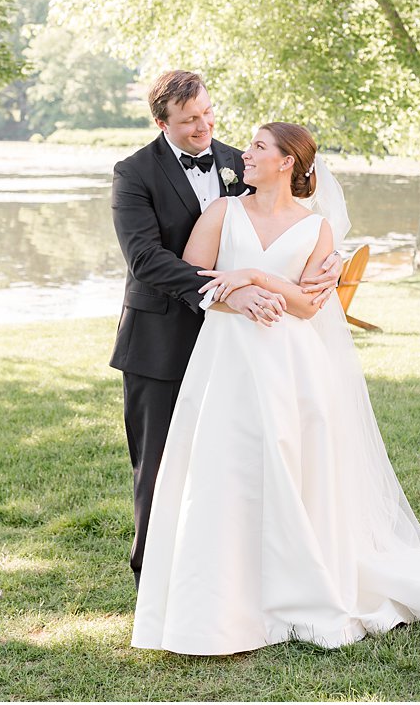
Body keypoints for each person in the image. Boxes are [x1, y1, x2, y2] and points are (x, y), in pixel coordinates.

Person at [131, 121, 420, 655]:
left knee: (291, 465)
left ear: (287, 163)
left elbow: (306, 304)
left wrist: (262, 277)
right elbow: (197, 280)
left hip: (290, 361)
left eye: (257, 147)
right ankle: (221, 596)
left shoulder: (315, 229)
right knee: (226, 467)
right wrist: (241, 296)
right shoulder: (222, 212)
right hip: (228, 354)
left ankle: (294, 586)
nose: (243, 154)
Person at [110, 72, 341, 591]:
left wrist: (330, 261)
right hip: (161, 337)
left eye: (208, 113)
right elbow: (146, 259)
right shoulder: (134, 173)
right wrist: (228, 291)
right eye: (190, 119)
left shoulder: (244, 160)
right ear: (161, 120)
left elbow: (287, 219)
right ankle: (153, 573)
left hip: (243, 344)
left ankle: (233, 568)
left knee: (237, 453)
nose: (204, 126)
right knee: (160, 460)